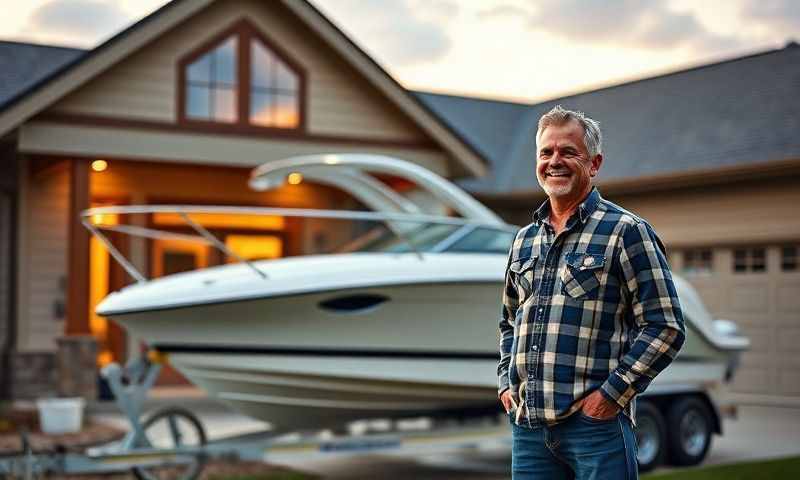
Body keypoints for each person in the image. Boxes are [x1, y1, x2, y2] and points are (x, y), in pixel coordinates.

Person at [497, 105, 685, 479]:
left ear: (594, 163)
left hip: (595, 430)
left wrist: (610, 397)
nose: (555, 161)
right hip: (530, 430)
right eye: (546, 152)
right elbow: (509, 321)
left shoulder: (627, 231)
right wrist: (506, 380)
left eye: (569, 152)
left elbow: (665, 326)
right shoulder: (523, 240)